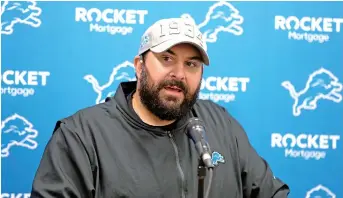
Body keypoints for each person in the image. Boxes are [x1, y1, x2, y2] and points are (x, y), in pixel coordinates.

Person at [30, 17, 290, 198]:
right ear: (139, 65)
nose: (179, 73)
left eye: (192, 64)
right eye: (166, 59)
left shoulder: (219, 122)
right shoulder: (82, 135)